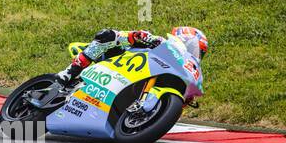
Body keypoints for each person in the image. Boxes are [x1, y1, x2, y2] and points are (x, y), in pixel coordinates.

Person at [55, 26, 209, 89]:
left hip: (133, 78)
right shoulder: (163, 42)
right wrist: (142, 36)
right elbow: (139, 35)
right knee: (108, 35)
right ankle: (70, 71)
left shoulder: (187, 67)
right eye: (192, 46)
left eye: (198, 51)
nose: (194, 51)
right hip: (120, 59)